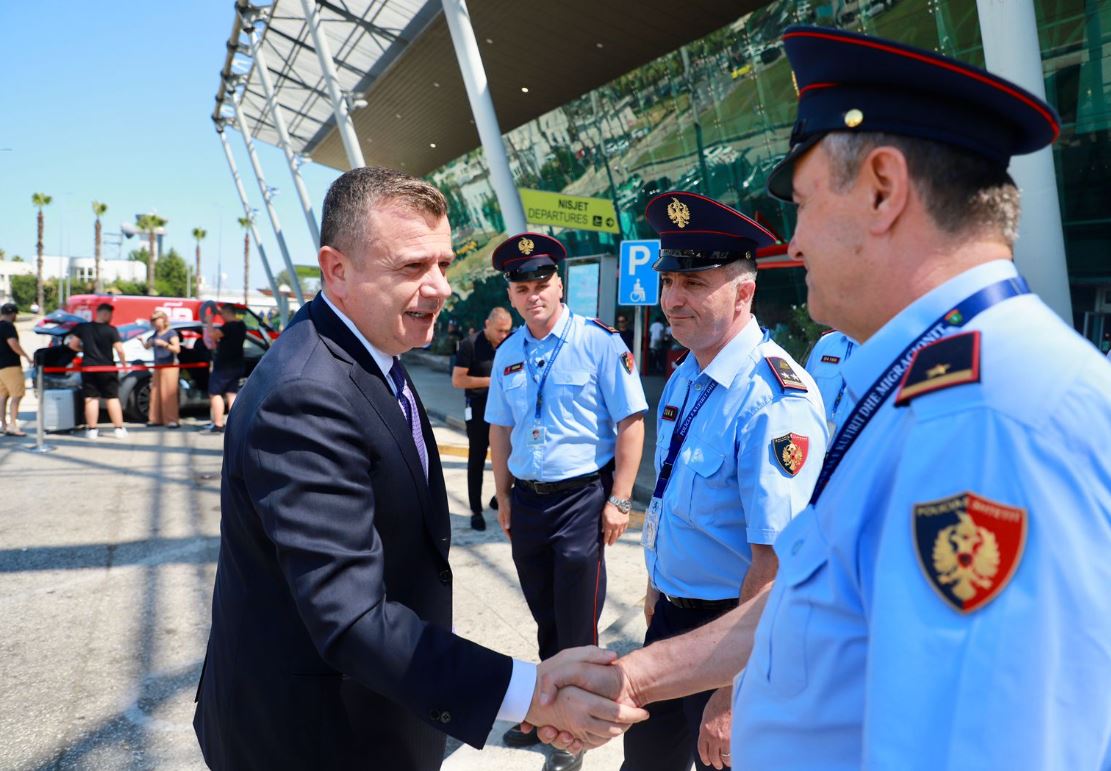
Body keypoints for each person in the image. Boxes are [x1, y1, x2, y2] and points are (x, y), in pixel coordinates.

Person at [533, 24, 1111, 770]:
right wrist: (636, 674)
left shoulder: (990, 416)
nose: (793, 242)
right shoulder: (927, 382)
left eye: (801, 203)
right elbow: (815, 599)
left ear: (881, 188)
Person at [193, 167, 647, 771]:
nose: (438, 288)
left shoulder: (372, 347)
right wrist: (531, 693)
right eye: (411, 267)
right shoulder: (304, 394)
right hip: (316, 735)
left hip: (383, 704)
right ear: (337, 270)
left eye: (442, 264)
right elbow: (350, 615)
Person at [619, 192, 827, 771]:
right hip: (672, 620)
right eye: (668, 281)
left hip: (732, 634)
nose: (672, 300)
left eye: (694, 282)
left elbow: (777, 561)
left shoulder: (774, 399)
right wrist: (661, 586)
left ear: (744, 291)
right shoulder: (690, 371)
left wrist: (735, 689)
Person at [486, 232, 648, 771]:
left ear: (561, 285)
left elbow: (630, 422)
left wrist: (620, 500)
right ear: (512, 294)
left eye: (542, 284)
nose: (534, 296)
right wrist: (502, 495)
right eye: (523, 288)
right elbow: (501, 431)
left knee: (578, 624)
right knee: (546, 621)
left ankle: (572, 739)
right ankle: (549, 712)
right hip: (528, 503)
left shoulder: (599, 342)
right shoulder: (508, 353)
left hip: (581, 498)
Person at [451, 306, 513, 531]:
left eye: (507, 331)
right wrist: (492, 381)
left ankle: (500, 496)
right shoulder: (470, 344)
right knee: (476, 459)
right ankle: (476, 511)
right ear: (488, 325)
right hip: (478, 410)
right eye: (499, 331)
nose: (503, 336)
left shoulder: (509, 344)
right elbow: (458, 380)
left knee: (512, 454)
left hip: (505, 411)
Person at [73, 303, 129, 440]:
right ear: (106, 314)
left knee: (91, 399)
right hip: (107, 368)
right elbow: (120, 349)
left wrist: (84, 350)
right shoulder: (111, 330)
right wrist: (124, 365)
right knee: (112, 398)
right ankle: (119, 429)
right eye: (111, 315)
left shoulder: (83, 328)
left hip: (89, 367)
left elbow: (72, 344)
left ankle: (92, 430)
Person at [803, 329, 856, 435]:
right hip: (813, 441)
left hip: (854, 448)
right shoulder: (826, 342)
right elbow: (803, 396)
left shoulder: (890, 351)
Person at [204, 303, 246, 433]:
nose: (221, 317)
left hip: (224, 366)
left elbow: (212, 335)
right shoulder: (241, 326)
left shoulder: (228, 327)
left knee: (215, 393)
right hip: (238, 364)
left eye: (222, 314)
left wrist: (209, 322)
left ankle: (218, 424)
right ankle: (236, 424)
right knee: (231, 393)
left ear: (228, 313)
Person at [142, 310, 181, 428]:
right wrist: (144, 342)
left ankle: (172, 420)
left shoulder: (171, 333)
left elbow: (177, 349)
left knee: (168, 394)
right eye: (153, 320)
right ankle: (155, 419)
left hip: (170, 366)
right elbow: (147, 346)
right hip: (158, 366)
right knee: (155, 393)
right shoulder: (155, 333)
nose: (154, 322)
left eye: (156, 319)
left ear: (163, 320)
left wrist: (164, 344)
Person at [0, 302, 32, 436]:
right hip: (11, 365)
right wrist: (27, 357)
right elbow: (13, 343)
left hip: (0, 367)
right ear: (13, 314)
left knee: (3, 396)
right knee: (17, 395)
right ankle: (13, 424)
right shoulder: (8, 326)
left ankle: (4, 424)